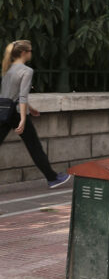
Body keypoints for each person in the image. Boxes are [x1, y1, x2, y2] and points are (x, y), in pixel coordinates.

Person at [1, 40, 70, 188]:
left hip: (3, 111)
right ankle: (52, 178)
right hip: (16, 113)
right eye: (30, 51)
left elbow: (9, 94)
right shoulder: (26, 71)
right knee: (34, 146)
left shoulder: (7, 68)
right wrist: (24, 118)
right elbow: (22, 96)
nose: (31, 53)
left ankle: (52, 177)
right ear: (23, 53)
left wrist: (30, 108)